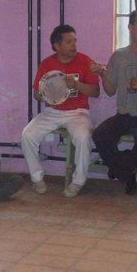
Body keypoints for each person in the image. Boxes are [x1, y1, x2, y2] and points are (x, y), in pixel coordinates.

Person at [90, 9, 137, 195]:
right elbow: (110, 91)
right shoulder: (119, 55)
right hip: (124, 114)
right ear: (130, 27)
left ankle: (122, 169)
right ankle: (127, 170)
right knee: (100, 135)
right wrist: (102, 75)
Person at [22, 24, 100, 198]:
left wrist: (78, 85)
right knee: (27, 135)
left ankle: (78, 181)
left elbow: (96, 92)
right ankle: (37, 178)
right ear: (57, 46)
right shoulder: (47, 63)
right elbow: (36, 93)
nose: (74, 45)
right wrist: (47, 94)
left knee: (83, 137)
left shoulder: (85, 60)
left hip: (78, 112)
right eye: (69, 42)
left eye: (75, 41)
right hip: (53, 111)